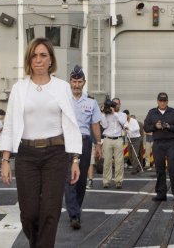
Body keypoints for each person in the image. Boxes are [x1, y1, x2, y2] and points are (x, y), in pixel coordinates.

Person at [0, 38, 82, 248]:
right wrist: (5, 159)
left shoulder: (62, 87)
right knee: (29, 214)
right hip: (26, 155)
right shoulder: (19, 88)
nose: (38, 59)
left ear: (51, 60)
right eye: (34, 55)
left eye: (43, 55)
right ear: (29, 59)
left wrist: (75, 159)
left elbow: (71, 124)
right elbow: (9, 124)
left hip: (56, 153)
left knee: (50, 211)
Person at [64, 65, 103, 230]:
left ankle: (76, 210)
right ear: (70, 82)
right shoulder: (63, 100)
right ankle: (74, 215)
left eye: (79, 81)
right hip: (66, 142)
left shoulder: (91, 102)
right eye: (74, 81)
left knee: (81, 180)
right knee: (69, 178)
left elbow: (94, 124)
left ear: (84, 82)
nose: (76, 85)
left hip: (84, 141)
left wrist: (98, 144)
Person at [144, 92, 174, 203]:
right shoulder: (152, 113)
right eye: (160, 101)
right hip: (158, 143)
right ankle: (161, 194)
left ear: (167, 101)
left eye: (164, 101)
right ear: (157, 101)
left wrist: (169, 126)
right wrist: (155, 126)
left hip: (171, 143)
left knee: (173, 169)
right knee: (159, 169)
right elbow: (146, 128)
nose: (162, 103)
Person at [100, 98, 124, 189]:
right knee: (107, 161)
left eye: (117, 104)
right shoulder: (106, 114)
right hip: (107, 139)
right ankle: (106, 181)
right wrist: (102, 113)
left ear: (119, 104)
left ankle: (118, 181)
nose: (115, 105)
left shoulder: (122, 114)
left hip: (118, 139)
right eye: (113, 104)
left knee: (119, 162)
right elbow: (105, 125)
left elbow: (123, 122)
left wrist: (114, 113)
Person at [124, 110, 143, 174]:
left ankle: (135, 169)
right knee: (130, 155)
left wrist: (129, 129)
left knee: (135, 155)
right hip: (130, 139)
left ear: (128, 115)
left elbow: (137, 128)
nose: (125, 116)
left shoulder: (133, 121)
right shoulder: (124, 121)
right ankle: (137, 167)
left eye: (126, 115)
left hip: (136, 139)